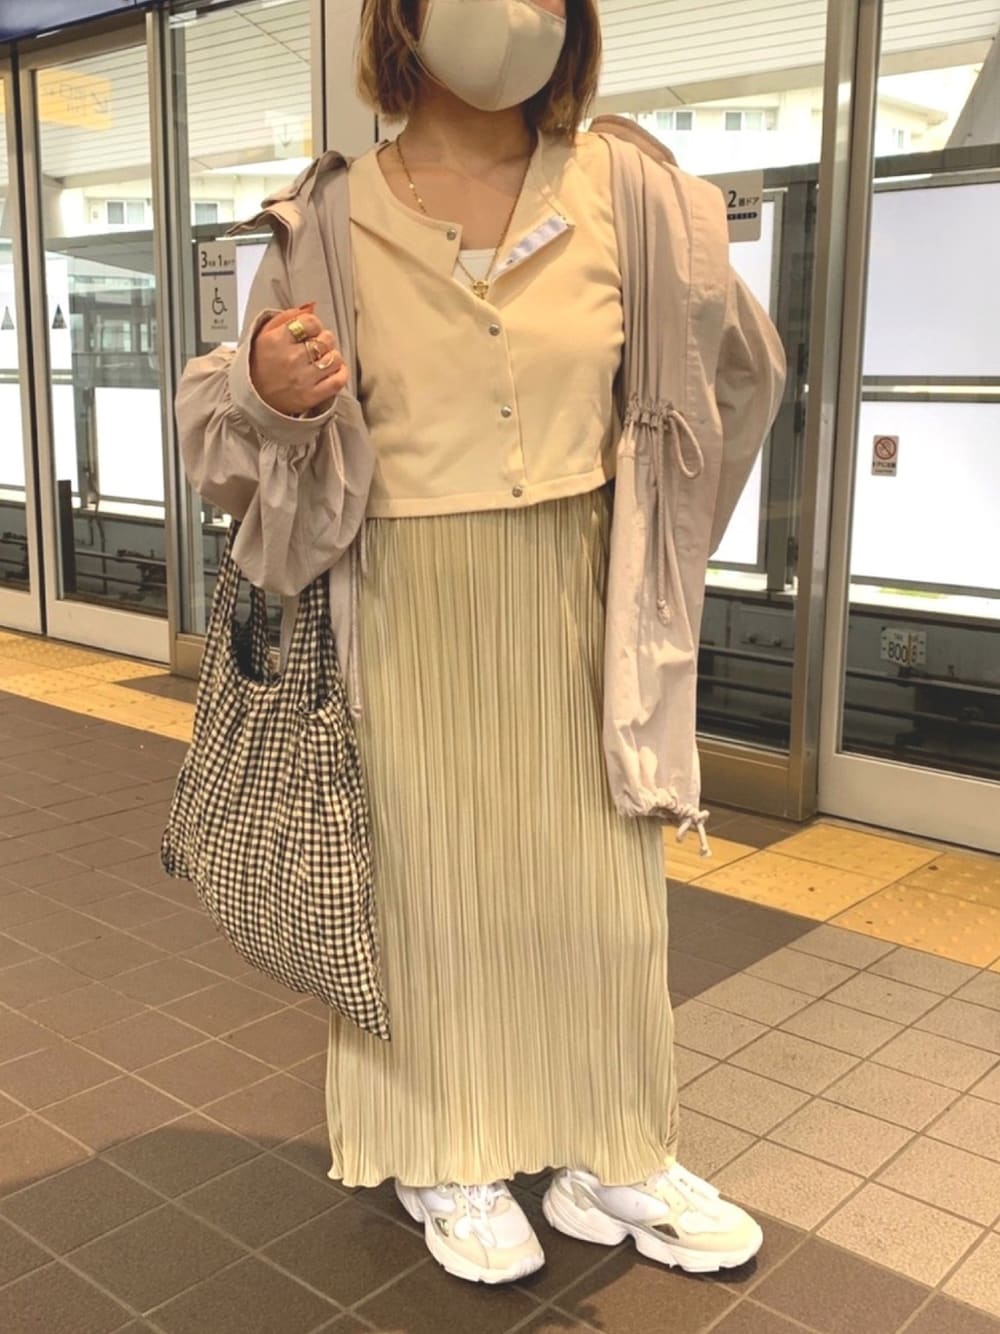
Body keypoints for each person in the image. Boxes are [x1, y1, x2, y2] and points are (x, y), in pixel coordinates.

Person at [176, 0, 786, 1287]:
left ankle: (611, 1141)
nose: (517, 14)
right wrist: (266, 393)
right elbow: (231, 443)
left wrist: (671, 538)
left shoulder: (632, 190)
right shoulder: (328, 217)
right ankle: (440, 1148)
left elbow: (735, 371)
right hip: (400, 594)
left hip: (582, 591)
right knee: (427, 890)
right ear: (400, 16)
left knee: (601, 892)